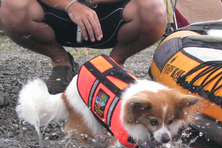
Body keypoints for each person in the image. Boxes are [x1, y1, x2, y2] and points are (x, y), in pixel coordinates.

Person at [0, 0, 167, 94]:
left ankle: (112, 66)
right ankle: (62, 63)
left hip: (112, 17)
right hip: (57, 14)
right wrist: (71, 5)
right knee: (12, 6)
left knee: (153, 8)